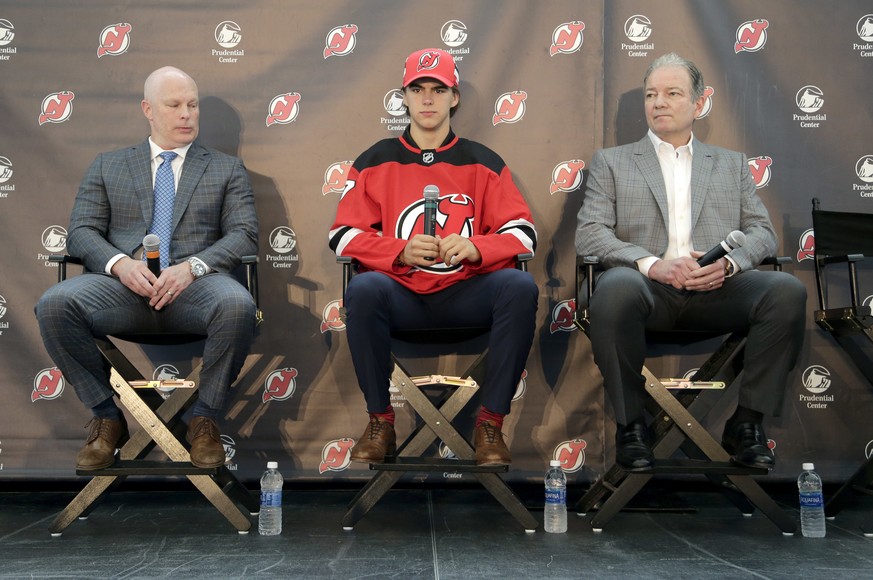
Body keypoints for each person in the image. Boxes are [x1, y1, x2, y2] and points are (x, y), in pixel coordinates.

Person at [576, 53, 806, 471]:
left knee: (787, 291)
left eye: (672, 93)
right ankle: (631, 426)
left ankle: (747, 424)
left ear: (699, 104)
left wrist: (730, 265)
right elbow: (590, 234)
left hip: (719, 291)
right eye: (651, 94)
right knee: (612, 288)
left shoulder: (732, 164)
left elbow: (762, 233)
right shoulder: (613, 162)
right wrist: (651, 264)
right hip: (646, 291)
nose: (658, 103)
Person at [35, 66, 259, 470]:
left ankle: (204, 419)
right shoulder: (108, 165)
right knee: (55, 304)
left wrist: (192, 267)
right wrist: (120, 264)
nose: (186, 114)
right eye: (174, 105)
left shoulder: (225, 168)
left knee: (238, 305)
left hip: (195, 290)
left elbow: (244, 235)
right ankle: (106, 416)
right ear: (148, 109)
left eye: (192, 105)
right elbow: (81, 232)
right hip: (121, 291)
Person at [328, 48, 538, 465]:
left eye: (438, 89)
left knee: (519, 285)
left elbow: (524, 234)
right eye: (417, 89)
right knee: (364, 287)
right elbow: (342, 235)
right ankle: (380, 423)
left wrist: (479, 246)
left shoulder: (483, 161)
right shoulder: (375, 160)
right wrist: (398, 251)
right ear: (403, 96)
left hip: (466, 293)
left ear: (454, 97)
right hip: (401, 297)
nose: (427, 99)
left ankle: (490, 424)